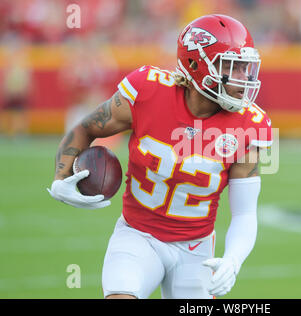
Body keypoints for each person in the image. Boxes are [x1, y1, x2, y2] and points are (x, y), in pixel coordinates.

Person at [47, 14, 272, 299]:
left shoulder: (248, 125)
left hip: (196, 249)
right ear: (195, 64)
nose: (244, 78)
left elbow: (244, 213)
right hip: (137, 235)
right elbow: (85, 128)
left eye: (245, 68)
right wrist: (60, 176)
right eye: (232, 67)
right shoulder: (148, 91)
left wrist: (233, 259)